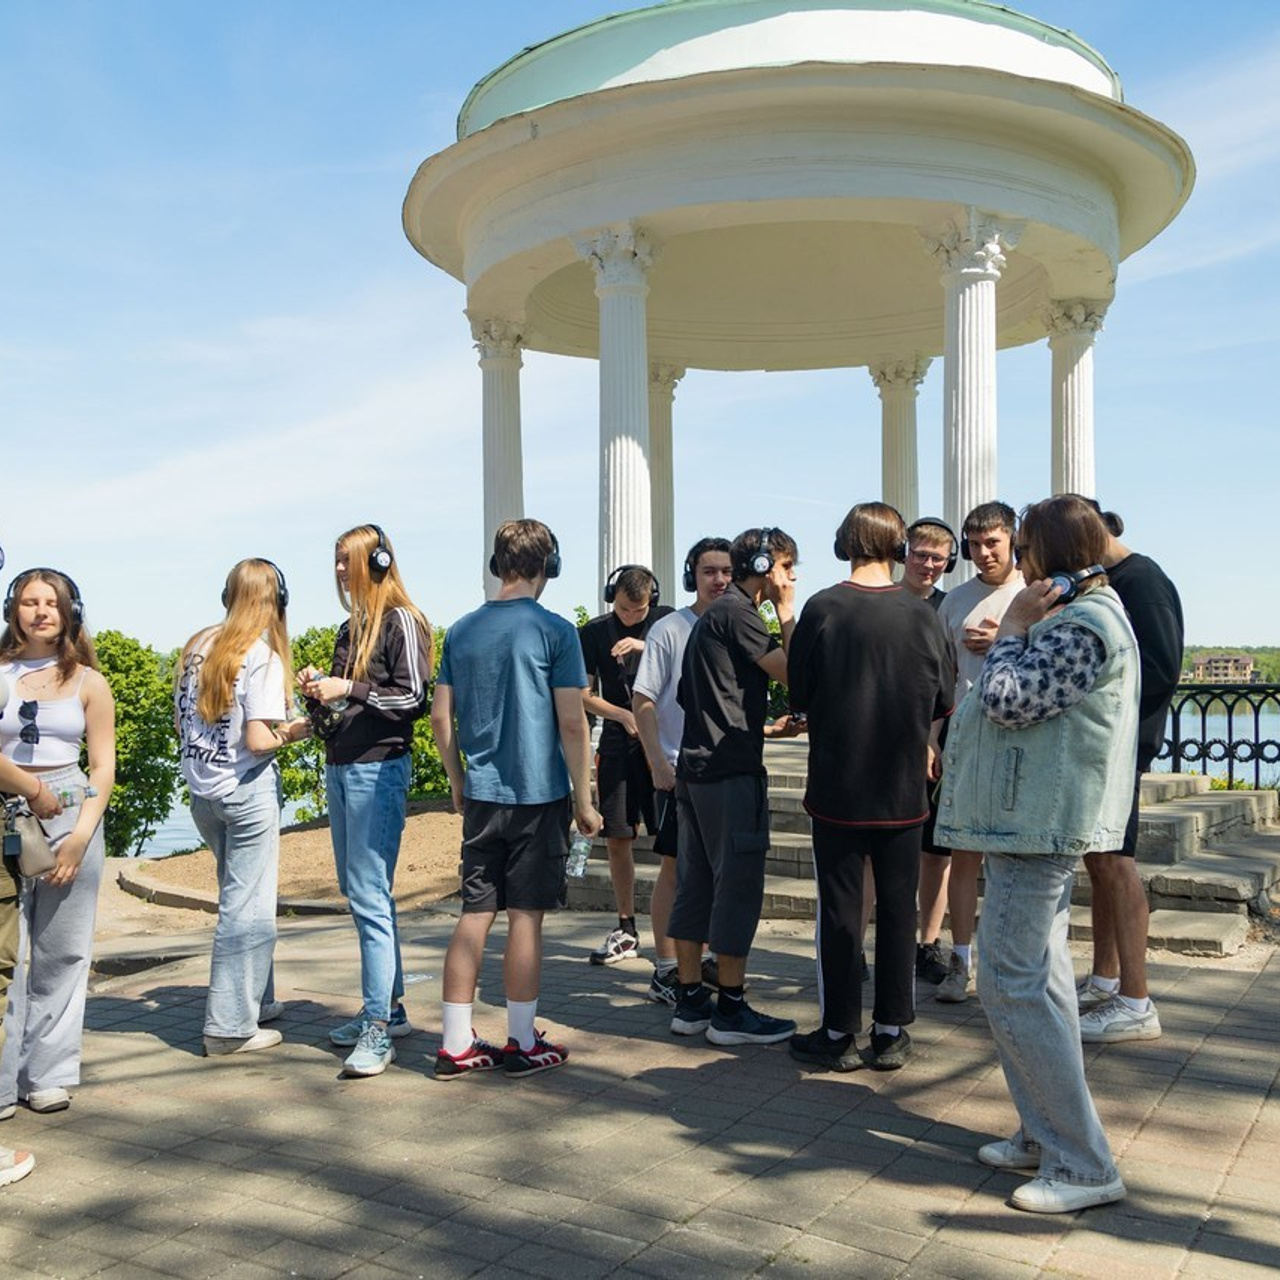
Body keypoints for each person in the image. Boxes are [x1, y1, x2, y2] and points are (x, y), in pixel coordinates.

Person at [936, 494, 1137, 1214]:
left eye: (1024, 548)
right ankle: (1044, 1133)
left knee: (1012, 983)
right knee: (1038, 985)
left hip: (1036, 826)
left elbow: (1008, 698)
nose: (1016, 560)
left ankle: (1082, 1164)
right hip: (1030, 822)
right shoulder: (1081, 615)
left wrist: (1015, 628)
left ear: (1047, 554)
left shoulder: (1080, 624)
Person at [431, 519, 601, 1080]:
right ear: (548, 567)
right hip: (539, 795)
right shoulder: (557, 631)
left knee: (474, 914)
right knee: (526, 917)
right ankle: (522, 1041)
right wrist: (585, 798)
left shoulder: (460, 630)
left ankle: (456, 1043)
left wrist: (457, 779)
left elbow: (440, 718)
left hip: (482, 795)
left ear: (496, 565)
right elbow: (572, 723)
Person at [787, 504, 953, 1072]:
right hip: (904, 784)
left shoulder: (822, 608)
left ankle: (838, 1030)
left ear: (846, 542)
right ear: (899, 547)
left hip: (837, 782)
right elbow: (942, 695)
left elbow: (800, 693)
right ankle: (890, 1030)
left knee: (839, 908)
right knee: (899, 908)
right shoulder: (924, 614)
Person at [299, 525, 432, 1078]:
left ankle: (379, 1028)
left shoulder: (403, 619)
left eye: (344, 559)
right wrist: (317, 692)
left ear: (375, 561)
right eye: (333, 559)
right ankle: (388, 1010)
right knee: (363, 894)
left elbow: (413, 697)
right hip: (342, 765)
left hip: (378, 770)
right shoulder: (349, 626)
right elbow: (347, 707)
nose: (336, 569)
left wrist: (346, 688)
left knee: (370, 896)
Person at [667, 527, 800, 1046]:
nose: (792, 577)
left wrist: (763, 727)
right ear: (766, 565)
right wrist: (787, 610)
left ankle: (690, 1001)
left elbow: (699, 694)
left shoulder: (713, 618)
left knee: (696, 884)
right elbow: (796, 674)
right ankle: (732, 1010)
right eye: (788, 567)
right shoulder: (740, 612)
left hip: (696, 772)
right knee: (737, 886)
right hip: (730, 775)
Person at [175, 559, 311, 1057]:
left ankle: (258, 999)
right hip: (247, 792)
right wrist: (295, 731)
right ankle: (230, 1028)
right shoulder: (262, 656)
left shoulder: (196, 647)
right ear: (276, 600)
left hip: (204, 794)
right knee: (249, 910)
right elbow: (257, 739)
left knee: (237, 897)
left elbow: (183, 725)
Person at [0, 568, 114, 1120]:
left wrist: (80, 837)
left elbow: (103, 766)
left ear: (71, 611)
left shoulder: (88, 681)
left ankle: (44, 1074)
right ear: (12, 610)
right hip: (8, 807)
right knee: (8, 954)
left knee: (62, 952)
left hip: (71, 807)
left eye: (52, 602)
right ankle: (1, 1083)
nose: (41, 611)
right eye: (29, 602)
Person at [1076, 504, 1183, 1043]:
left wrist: (1112, 721)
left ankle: (1137, 1001)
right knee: (1100, 861)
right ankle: (1104, 980)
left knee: (1117, 863)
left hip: (1120, 746)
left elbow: (1161, 668)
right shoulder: (1110, 580)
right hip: (1105, 745)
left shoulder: (1142, 581)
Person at [632, 538, 733, 1006]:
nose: (719, 579)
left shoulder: (737, 625)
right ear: (693, 575)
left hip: (724, 773)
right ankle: (667, 967)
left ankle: (704, 956)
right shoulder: (670, 629)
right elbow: (644, 700)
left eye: (726, 571)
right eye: (709, 571)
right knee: (675, 869)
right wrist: (657, 762)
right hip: (677, 770)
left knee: (713, 870)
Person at [934, 501, 1022, 1002]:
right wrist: (934, 740)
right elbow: (942, 679)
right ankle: (960, 960)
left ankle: (1008, 966)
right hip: (965, 740)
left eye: (993, 543)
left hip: (1018, 744)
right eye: (974, 544)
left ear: (1011, 541)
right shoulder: (954, 602)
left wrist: (1008, 638)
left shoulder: (1034, 594)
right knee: (961, 854)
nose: (984, 553)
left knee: (1013, 857)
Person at [579, 565, 672, 965]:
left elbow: (690, 664)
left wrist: (644, 646)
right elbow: (584, 694)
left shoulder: (668, 621)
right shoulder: (594, 632)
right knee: (618, 836)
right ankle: (626, 925)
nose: (632, 617)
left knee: (673, 839)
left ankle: (677, 932)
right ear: (611, 597)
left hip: (664, 741)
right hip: (618, 744)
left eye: (639, 611)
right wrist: (622, 714)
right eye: (624, 610)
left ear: (652, 598)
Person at [900, 517, 959, 986]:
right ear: (905, 553)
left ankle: (928, 942)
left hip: (933, 746)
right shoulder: (887, 600)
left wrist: (932, 739)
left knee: (936, 855)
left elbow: (946, 685)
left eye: (938, 558)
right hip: (885, 746)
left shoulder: (946, 608)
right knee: (871, 859)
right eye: (921, 554)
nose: (929, 565)